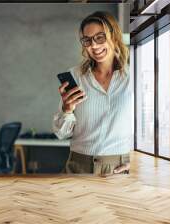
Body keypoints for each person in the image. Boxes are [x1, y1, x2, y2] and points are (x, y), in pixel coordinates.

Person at [52, 11, 132, 176]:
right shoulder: (75, 76)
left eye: (100, 37)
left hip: (118, 168)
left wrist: (137, 163)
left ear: (114, 36)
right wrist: (67, 110)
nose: (93, 46)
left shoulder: (133, 75)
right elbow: (61, 133)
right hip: (77, 166)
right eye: (87, 40)